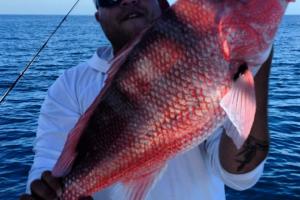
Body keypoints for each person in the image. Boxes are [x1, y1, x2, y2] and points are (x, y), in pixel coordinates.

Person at [20, 0, 272, 199]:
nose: (128, 0)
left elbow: (239, 176)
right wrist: (49, 192)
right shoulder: (70, 86)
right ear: (98, 16)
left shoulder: (205, 62)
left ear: (160, 2)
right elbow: (48, 166)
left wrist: (251, 63)